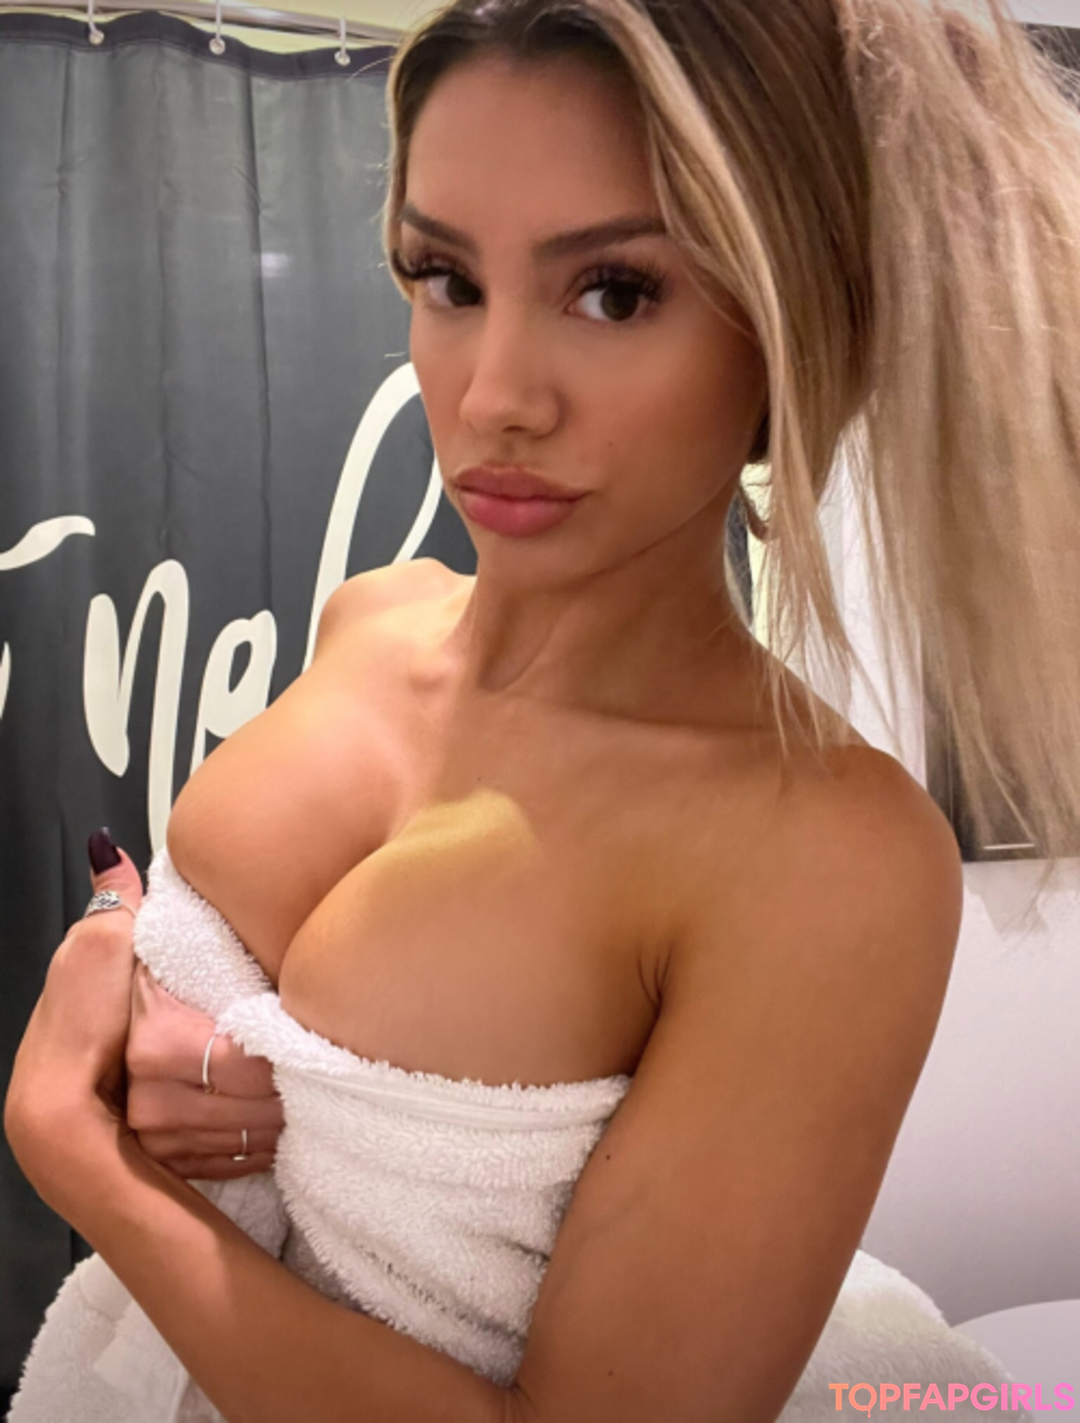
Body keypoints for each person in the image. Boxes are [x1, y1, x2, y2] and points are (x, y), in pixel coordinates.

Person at [6, 0, 1080, 1419]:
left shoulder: (825, 853)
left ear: (788, 329)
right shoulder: (372, 618)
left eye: (615, 293)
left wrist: (74, 1147)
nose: (494, 397)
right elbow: (215, 1007)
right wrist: (123, 975)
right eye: (446, 278)